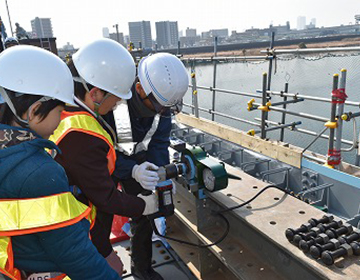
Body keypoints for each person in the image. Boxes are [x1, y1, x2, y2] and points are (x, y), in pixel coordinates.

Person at [0, 45, 120, 279]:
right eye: (60, 109)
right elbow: (74, 253)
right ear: (35, 111)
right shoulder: (40, 173)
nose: (62, 118)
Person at [49, 38, 158, 277]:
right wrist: (143, 205)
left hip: (80, 230)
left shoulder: (65, 112)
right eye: (117, 96)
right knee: (114, 271)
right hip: (81, 235)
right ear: (95, 93)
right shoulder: (81, 135)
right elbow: (104, 196)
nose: (120, 102)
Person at [105, 52, 189, 280]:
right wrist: (130, 170)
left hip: (140, 162)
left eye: (167, 108)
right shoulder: (113, 101)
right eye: (159, 106)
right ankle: (102, 264)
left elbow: (159, 142)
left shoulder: (162, 106)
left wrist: (160, 175)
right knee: (101, 214)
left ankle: (142, 270)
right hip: (108, 163)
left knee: (143, 214)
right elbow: (102, 151)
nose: (162, 112)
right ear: (139, 88)